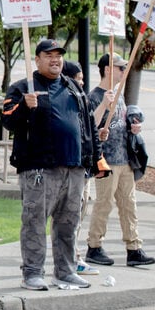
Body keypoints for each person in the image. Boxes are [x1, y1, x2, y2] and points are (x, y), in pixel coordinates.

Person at [1, 39, 101, 291]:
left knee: (69, 223)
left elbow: (88, 126)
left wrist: (95, 159)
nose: (55, 59)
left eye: (58, 55)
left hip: (74, 168)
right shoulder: (23, 87)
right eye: (49, 55)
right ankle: (32, 273)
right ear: (37, 59)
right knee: (35, 222)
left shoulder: (74, 89)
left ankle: (65, 271)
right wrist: (25, 105)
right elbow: (7, 120)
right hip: (38, 169)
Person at [84, 54, 155, 268]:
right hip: (105, 160)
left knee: (129, 205)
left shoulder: (119, 95)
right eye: (120, 67)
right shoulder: (95, 97)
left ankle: (133, 248)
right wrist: (100, 130)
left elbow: (121, 121)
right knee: (104, 204)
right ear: (108, 69)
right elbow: (90, 128)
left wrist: (133, 127)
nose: (124, 71)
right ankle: (94, 246)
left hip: (124, 158)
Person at [62, 60, 99, 277]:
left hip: (84, 167)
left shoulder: (82, 101)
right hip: (71, 169)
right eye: (78, 78)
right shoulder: (66, 102)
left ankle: (74, 258)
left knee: (80, 213)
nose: (81, 83)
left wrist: (95, 159)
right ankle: (72, 259)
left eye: (83, 78)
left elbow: (90, 131)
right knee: (71, 216)